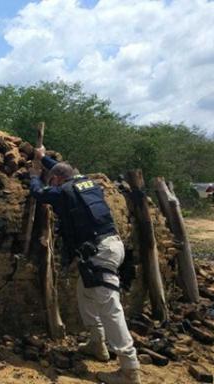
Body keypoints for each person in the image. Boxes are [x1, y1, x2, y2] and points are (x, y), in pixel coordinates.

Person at [29, 146, 141, 384]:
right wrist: (43, 158)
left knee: (110, 308)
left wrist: (33, 176)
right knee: (85, 294)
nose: (54, 184)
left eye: (54, 181)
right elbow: (63, 171)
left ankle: (130, 368)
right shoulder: (86, 183)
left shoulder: (61, 192)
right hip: (109, 248)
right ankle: (96, 344)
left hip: (99, 253)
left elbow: (38, 194)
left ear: (57, 180)